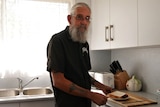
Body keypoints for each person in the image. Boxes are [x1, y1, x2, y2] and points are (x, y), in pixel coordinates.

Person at [46, 2, 113, 107]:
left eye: (87, 18)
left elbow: (83, 74)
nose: (84, 22)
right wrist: (90, 95)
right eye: (79, 17)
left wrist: (101, 86)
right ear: (69, 19)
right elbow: (58, 81)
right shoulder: (58, 41)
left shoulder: (83, 43)